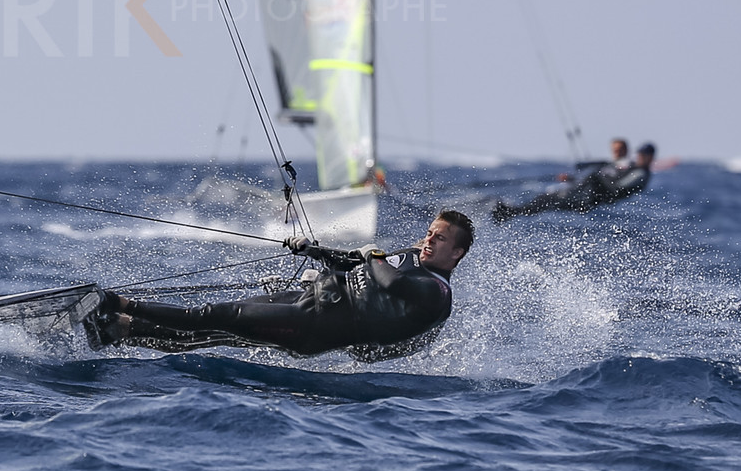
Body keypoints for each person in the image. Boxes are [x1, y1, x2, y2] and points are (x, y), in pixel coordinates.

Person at [84, 211, 474, 359]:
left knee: (214, 316)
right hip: (312, 297)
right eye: (429, 233)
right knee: (214, 332)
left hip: (314, 327)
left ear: (456, 253)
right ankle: (122, 331)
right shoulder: (410, 256)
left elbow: (387, 281)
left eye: (439, 238)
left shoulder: (436, 292)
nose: (428, 240)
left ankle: (119, 304)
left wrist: (373, 257)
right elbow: (354, 262)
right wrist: (314, 251)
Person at [492, 142, 656, 221]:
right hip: (582, 193)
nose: (640, 157)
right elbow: (606, 175)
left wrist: (594, 178)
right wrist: (573, 179)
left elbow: (615, 187)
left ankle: (508, 213)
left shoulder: (640, 174)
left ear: (650, 158)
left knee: (548, 201)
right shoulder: (630, 167)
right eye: (640, 154)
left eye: (644, 156)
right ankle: (509, 212)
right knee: (546, 199)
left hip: (587, 199)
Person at [555, 137, 629, 183]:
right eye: (615, 150)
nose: (617, 153)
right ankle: (570, 178)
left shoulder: (629, 163)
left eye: (620, 150)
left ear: (626, 150)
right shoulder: (607, 164)